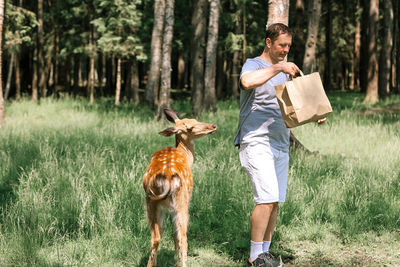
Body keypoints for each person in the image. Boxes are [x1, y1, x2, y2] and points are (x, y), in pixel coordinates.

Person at [234, 23, 300, 267]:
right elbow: (247, 82)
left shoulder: (283, 72)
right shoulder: (254, 64)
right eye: (281, 45)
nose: (285, 50)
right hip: (255, 140)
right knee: (266, 197)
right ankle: (254, 256)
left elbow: (291, 110)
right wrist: (279, 67)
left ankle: (265, 254)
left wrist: (315, 114)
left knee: (274, 201)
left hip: (280, 143)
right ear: (268, 42)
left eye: (288, 47)